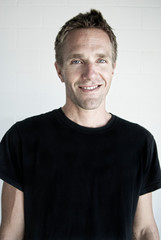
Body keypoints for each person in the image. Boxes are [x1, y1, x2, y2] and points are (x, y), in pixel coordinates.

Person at [0, 9, 161, 240]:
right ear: (59, 70)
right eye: (77, 60)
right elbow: (10, 234)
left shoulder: (140, 142)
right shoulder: (22, 138)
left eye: (101, 60)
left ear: (113, 68)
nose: (90, 73)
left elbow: (144, 229)